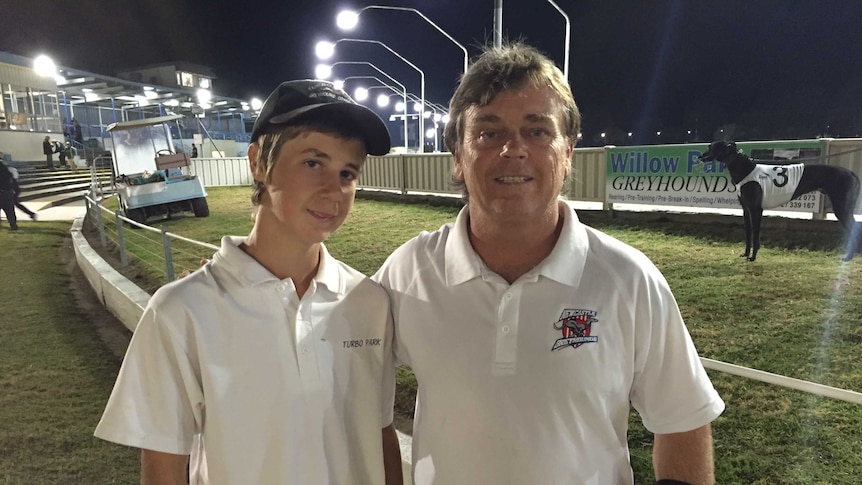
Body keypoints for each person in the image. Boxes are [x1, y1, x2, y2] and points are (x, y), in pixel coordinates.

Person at [373, 43, 725, 484]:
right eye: (489, 132)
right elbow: (350, 389)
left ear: (568, 153)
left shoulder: (629, 280)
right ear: (458, 158)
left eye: (537, 131)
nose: (513, 150)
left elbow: (683, 421)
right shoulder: (409, 272)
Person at [95, 79, 403, 484]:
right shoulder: (181, 311)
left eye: (348, 172)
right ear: (258, 161)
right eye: (314, 163)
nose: (334, 190)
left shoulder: (369, 302)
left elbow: (380, 433)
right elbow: (164, 468)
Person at [0, 161, 18, 231]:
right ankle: (13, 226)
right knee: (10, 211)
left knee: (9, 210)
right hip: (8, 192)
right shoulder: (6, 171)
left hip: (2, 192)